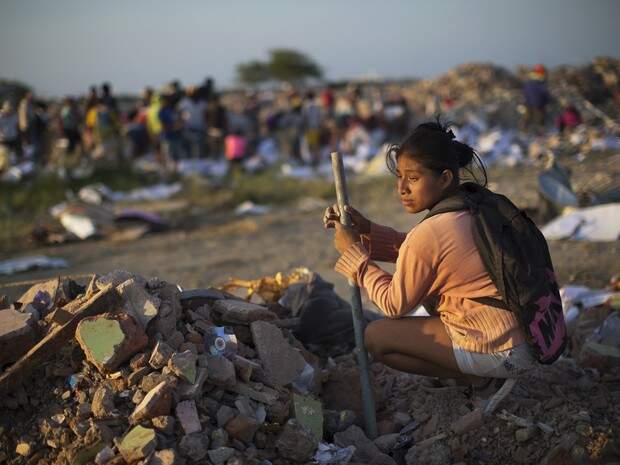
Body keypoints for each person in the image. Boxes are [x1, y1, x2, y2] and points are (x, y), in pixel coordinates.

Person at [324, 122, 540, 392]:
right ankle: (478, 374)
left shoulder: (432, 231)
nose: (402, 188)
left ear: (445, 178)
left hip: (500, 347)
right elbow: (428, 257)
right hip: (526, 337)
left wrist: (354, 254)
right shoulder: (471, 205)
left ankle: (478, 378)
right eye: (399, 176)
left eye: (413, 178)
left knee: (377, 337)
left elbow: (393, 304)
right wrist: (367, 231)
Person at [522, 64, 551, 130]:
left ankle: (524, 130)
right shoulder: (542, 81)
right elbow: (545, 93)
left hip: (528, 103)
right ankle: (541, 131)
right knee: (541, 119)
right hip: (539, 103)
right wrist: (548, 101)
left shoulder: (529, 80)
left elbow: (524, 91)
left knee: (527, 118)